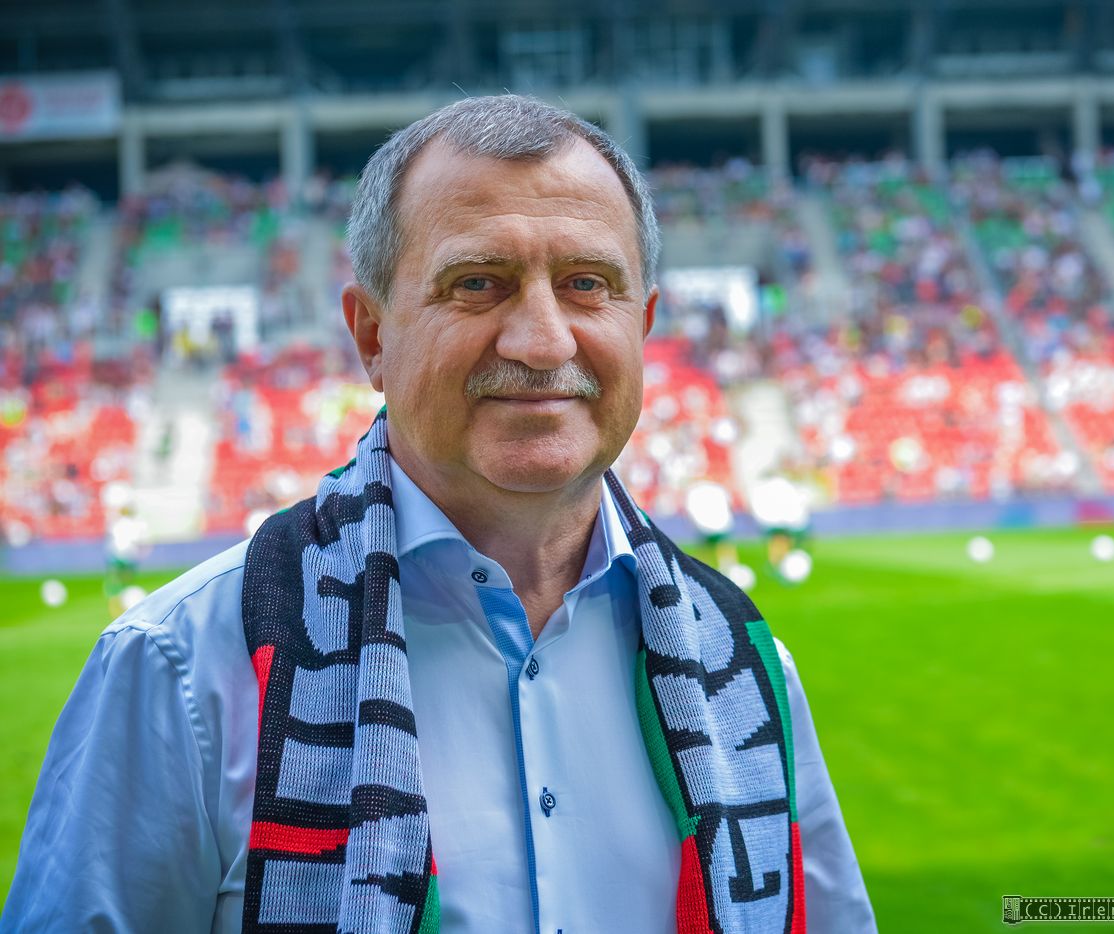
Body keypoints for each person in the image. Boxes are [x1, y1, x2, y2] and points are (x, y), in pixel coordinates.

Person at [4, 95, 875, 934]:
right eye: (478, 284)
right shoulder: (180, 668)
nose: (543, 341)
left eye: (586, 284)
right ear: (371, 336)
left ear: (642, 325)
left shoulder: (746, 668)